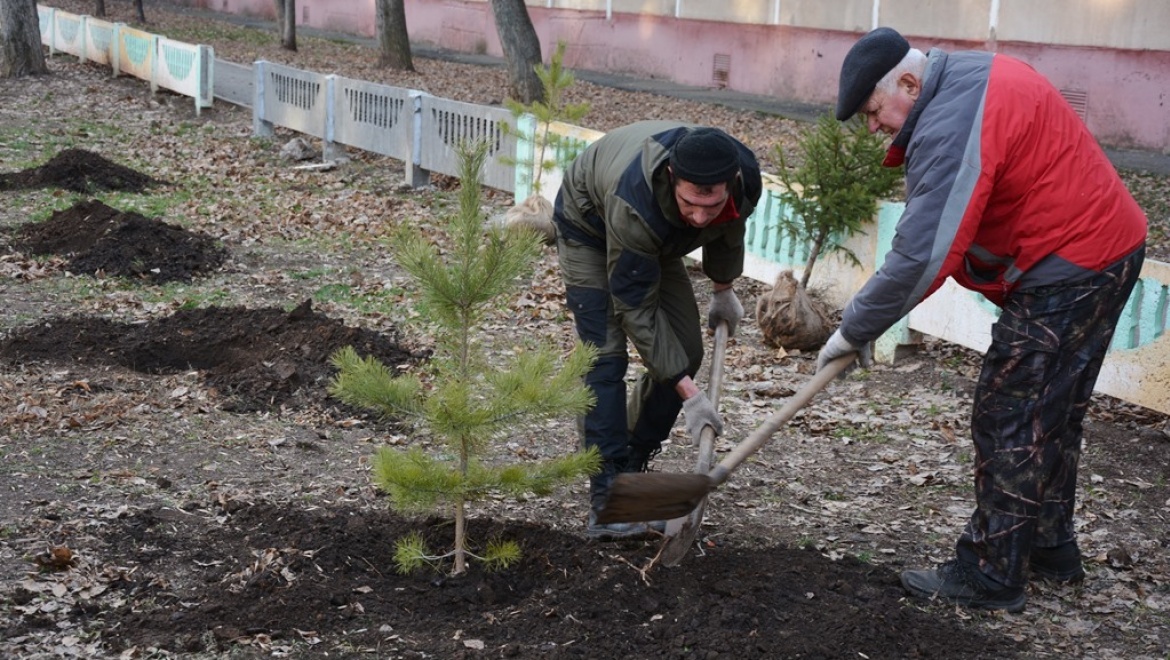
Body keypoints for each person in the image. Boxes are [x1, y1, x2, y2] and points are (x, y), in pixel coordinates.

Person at [819, 27, 1148, 611]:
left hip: (1070, 266)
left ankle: (992, 575)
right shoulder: (970, 78)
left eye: (874, 111)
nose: (874, 128)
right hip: (1108, 247)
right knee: (1051, 411)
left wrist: (854, 327)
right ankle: (1047, 547)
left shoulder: (952, 120)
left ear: (910, 83)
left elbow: (922, 253)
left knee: (1008, 415)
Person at [553, 121, 763, 540]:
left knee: (685, 353)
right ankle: (607, 496)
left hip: (656, 242)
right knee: (605, 357)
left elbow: (727, 232)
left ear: (732, 181)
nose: (701, 217)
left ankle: (631, 461)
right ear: (671, 177)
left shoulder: (743, 180)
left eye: (712, 204)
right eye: (690, 203)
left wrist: (723, 288)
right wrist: (690, 395)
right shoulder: (636, 202)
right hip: (591, 229)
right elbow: (635, 308)